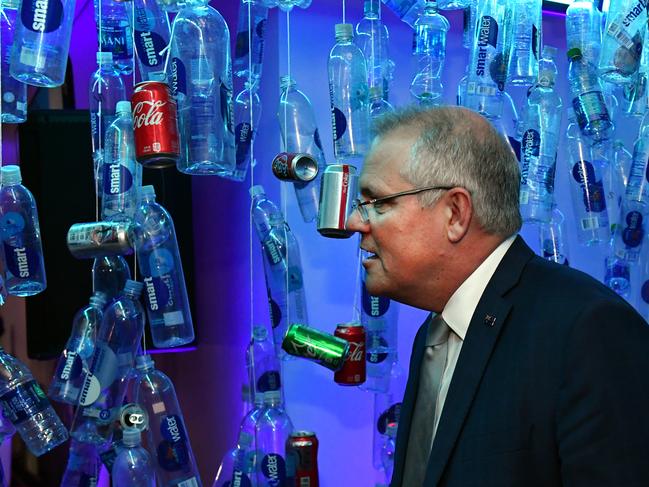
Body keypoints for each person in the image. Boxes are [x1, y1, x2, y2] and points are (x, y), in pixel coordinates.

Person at [345, 105, 649, 486]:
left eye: (377, 203)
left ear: (455, 213)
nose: (355, 222)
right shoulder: (434, 332)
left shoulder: (588, 329)